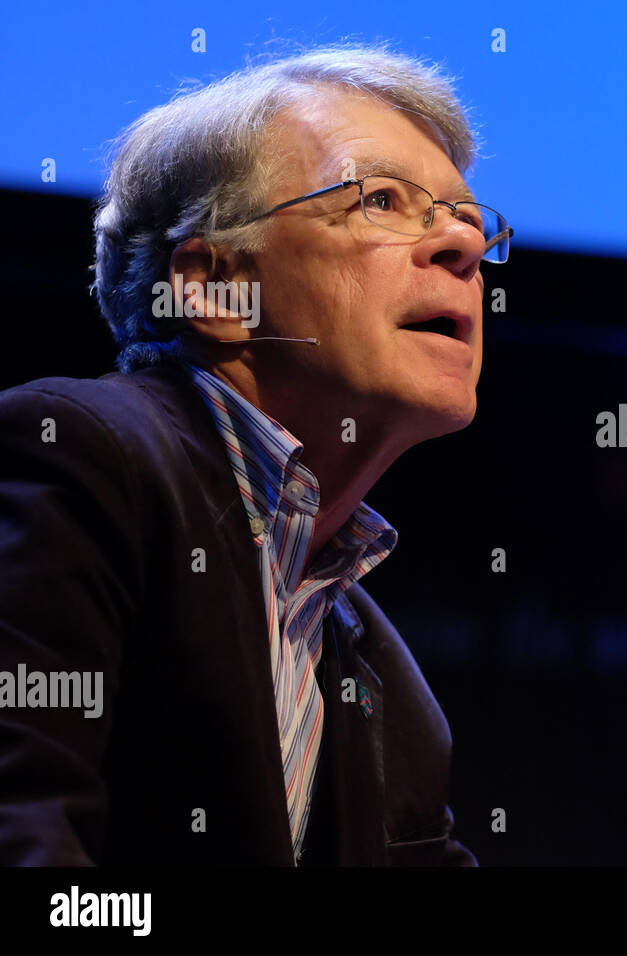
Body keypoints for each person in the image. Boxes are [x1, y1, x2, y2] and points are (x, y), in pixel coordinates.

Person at [0, 46, 512, 865]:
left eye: (465, 218)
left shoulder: (386, 683)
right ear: (211, 288)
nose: (462, 245)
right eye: (380, 200)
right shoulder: (78, 465)